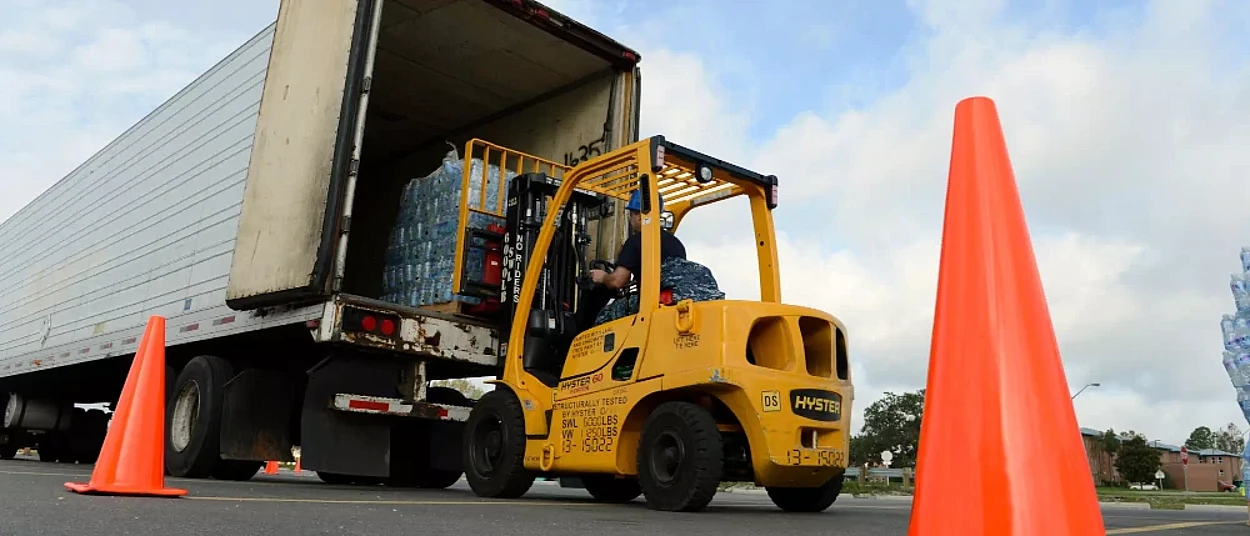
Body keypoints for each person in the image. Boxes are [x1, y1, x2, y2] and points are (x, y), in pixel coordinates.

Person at [576, 189, 686, 328]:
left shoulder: (637, 241)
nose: (630, 220)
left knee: (599, 319)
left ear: (639, 216)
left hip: (648, 306)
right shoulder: (677, 244)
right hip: (670, 304)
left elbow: (617, 281)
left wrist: (603, 277)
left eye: (631, 215)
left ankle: (580, 345)